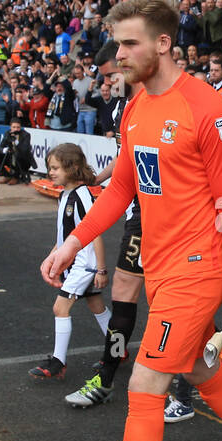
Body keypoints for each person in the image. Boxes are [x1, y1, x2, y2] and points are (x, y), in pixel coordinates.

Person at [39, 0, 222, 441]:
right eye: (117, 43)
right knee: (197, 365)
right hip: (160, 266)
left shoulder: (210, 109)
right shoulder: (135, 107)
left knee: (146, 384)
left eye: (129, 44)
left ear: (164, 44)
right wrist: (71, 242)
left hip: (200, 269)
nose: (118, 55)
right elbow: (120, 189)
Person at [64, 41, 145, 409]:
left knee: (171, 303)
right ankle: (107, 374)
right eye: (105, 77)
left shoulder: (163, 101)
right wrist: (100, 177)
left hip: (180, 220)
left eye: (112, 74)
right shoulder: (121, 107)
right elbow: (126, 159)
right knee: (124, 292)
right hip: (139, 215)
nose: (108, 83)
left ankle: (202, 371)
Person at [30, 143, 110, 380]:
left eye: (55, 168)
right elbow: (66, 236)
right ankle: (118, 349)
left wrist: (101, 269)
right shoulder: (64, 194)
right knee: (96, 306)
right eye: (49, 168)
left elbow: (95, 232)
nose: (51, 172)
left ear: (73, 167)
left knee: (60, 307)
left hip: (85, 264)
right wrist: (52, 255)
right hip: (78, 262)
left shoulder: (83, 195)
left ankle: (58, 362)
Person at [0, 117, 34, 184]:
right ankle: (6, 175)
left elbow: (24, 150)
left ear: (20, 127)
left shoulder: (26, 135)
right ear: (10, 127)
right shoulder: (7, 133)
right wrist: (4, 150)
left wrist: (15, 141)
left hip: (23, 160)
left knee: (17, 154)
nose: (16, 129)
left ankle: (16, 177)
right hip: (11, 157)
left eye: (18, 127)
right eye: (14, 127)